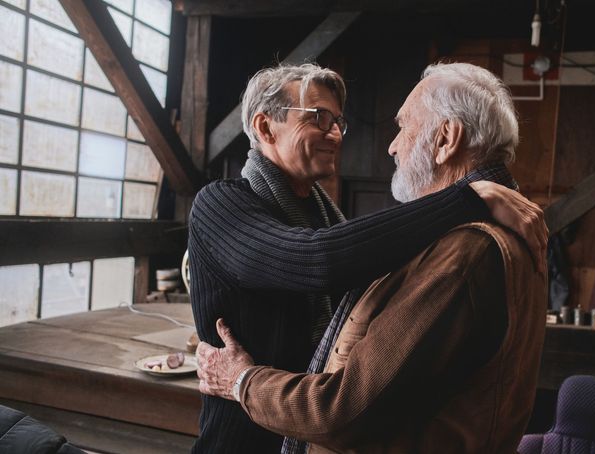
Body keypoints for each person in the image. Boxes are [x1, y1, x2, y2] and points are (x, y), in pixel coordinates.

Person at [188, 62, 547, 452]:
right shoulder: (221, 203)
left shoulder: (461, 249)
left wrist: (244, 380)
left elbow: (347, 405)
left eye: (338, 121)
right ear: (264, 127)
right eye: (319, 118)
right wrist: (469, 196)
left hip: (297, 421)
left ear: (446, 140)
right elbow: (315, 260)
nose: (337, 135)